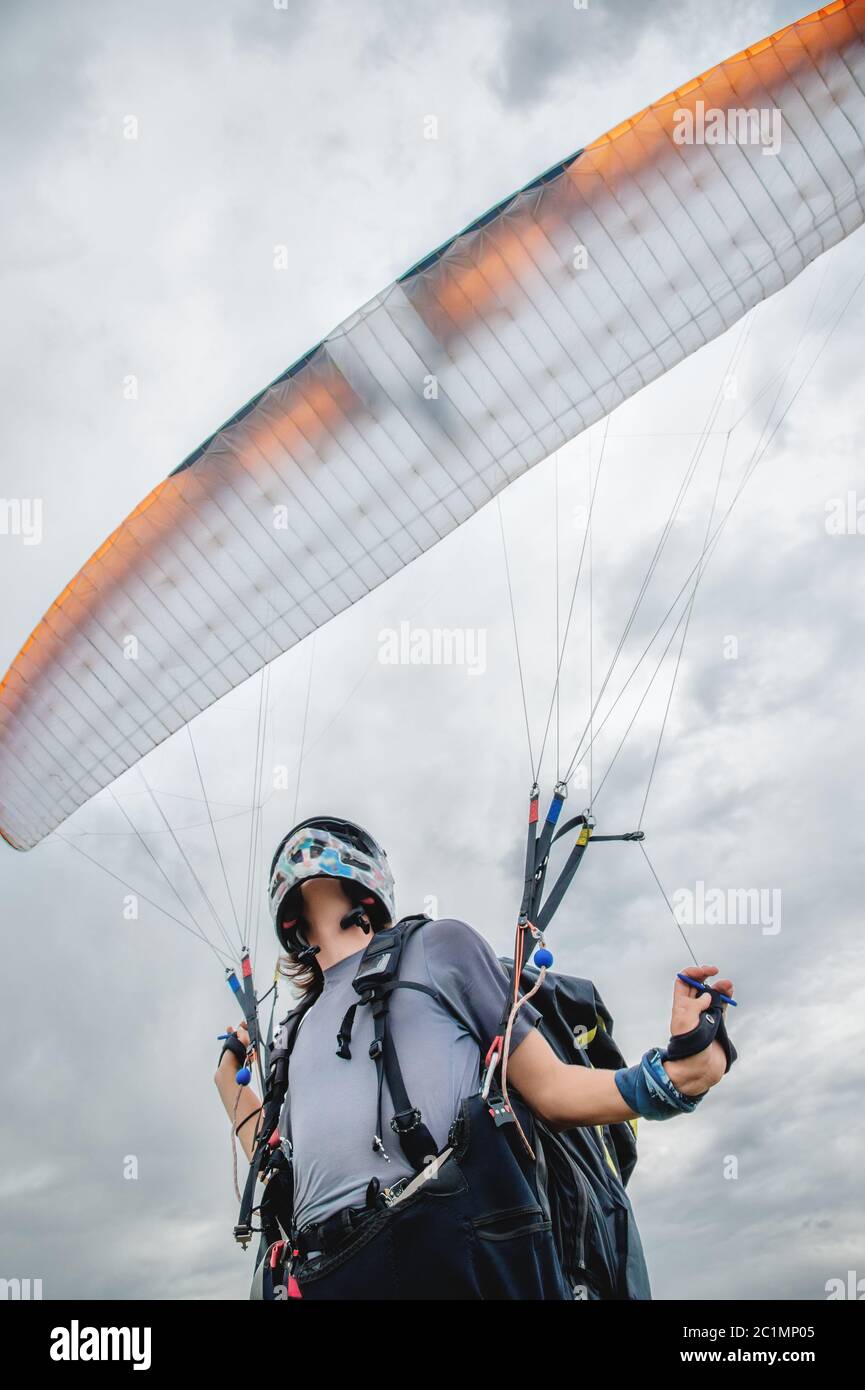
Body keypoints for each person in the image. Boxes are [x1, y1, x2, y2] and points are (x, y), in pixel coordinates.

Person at [215, 816, 734, 1300]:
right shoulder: (293, 1032)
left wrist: (672, 1078)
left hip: (446, 1256)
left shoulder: (440, 947)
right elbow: (278, 1166)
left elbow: (551, 1091)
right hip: (330, 1275)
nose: (308, 852)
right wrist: (227, 1081)